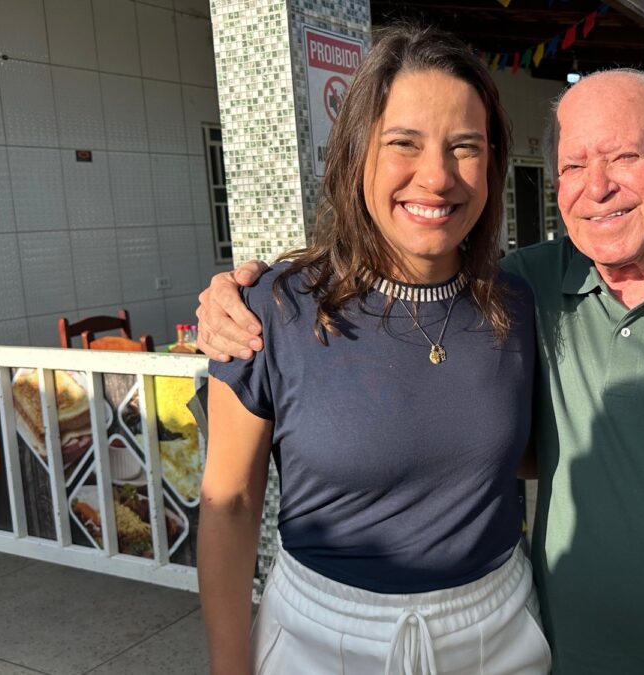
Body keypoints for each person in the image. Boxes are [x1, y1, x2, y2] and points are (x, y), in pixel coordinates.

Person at [199, 70, 644, 674]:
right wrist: (231, 290)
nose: (597, 188)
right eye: (573, 165)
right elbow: (234, 499)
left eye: (625, 157)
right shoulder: (522, 289)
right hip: (557, 655)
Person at [198, 24, 549, 675]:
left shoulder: (518, 304)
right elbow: (231, 502)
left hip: (496, 631)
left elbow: (519, 453)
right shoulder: (270, 309)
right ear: (357, 151)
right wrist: (228, 664)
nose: (437, 176)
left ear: (493, 161)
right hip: (320, 638)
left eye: (465, 147)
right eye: (404, 145)